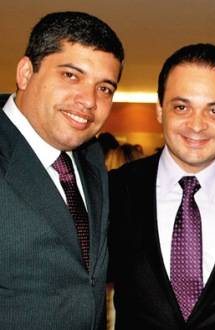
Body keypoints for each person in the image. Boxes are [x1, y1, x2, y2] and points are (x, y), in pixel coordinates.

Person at [108, 44, 215, 329]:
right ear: (160, 110)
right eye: (181, 107)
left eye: (214, 110)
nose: (196, 125)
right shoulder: (115, 191)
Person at [0, 11, 123, 329]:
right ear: (26, 73)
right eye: (71, 75)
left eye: (105, 88)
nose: (89, 101)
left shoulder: (91, 157)